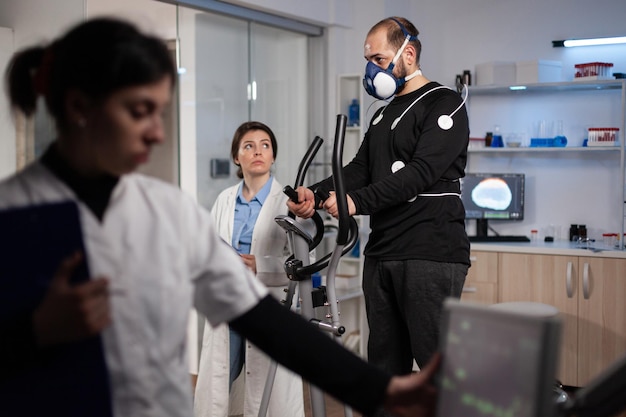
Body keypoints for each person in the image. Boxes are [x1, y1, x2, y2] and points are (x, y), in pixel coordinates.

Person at [0, 16, 441, 417]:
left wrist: (379, 390)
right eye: (139, 111)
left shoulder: (166, 211)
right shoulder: (14, 214)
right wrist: (33, 332)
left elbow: (260, 318)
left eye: (160, 112)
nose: (156, 131)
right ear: (79, 108)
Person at [288, 16, 470, 416]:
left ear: (408, 53)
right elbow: (356, 170)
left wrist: (354, 203)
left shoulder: (445, 103)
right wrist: (315, 195)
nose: (372, 69)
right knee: (385, 367)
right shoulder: (381, 115)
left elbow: (420, 174)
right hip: (384, 251)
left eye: (379, 58)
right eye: (368, 59)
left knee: (435, 366)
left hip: (430, 251)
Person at [194, 121, 304, 417]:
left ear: (273, 156)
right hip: (229, 302)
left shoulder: (288, 203)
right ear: (236, 157)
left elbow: (302, 264)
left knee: (269, 391)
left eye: (265, 145)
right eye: (249, 146)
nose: (258, 151)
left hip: (267, 302)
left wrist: (261, 265)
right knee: (222, 377)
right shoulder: (224, 200)